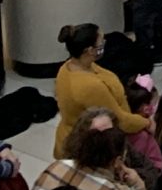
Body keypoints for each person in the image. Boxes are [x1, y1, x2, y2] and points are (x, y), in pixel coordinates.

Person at [49, 24, 146, 159]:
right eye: (101, 42)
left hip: (70, 138)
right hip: (88, 148)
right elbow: (120, 120)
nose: (104, 43)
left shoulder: (67, 67)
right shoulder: (90, 86)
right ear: (90, 50)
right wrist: (147, 123)